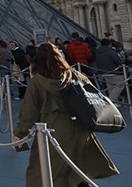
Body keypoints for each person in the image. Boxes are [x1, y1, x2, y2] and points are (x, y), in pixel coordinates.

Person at [13, 43, 119, 186]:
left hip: (52, 129)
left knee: (46, 172)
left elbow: (29, 112)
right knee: (78, 170)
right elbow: (93, 96)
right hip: (80, 127)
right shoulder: (75, 75)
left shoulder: (38, 81)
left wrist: (20, 133)